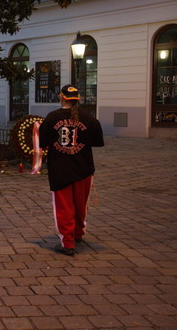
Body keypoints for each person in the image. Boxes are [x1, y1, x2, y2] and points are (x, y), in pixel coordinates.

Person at [39, 84, 105, 256]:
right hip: (83, 169)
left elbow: (42, 142)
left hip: (60, 170)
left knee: (63, 207)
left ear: (61, 97)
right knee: (80, 206)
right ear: (78, 99)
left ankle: (67, 242)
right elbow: (97, 142)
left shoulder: (52, 117)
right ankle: (78, 234)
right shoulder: (89, 118)